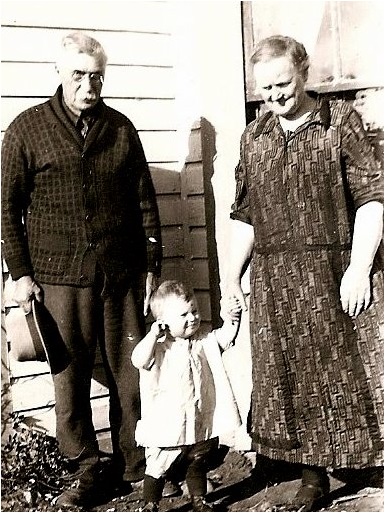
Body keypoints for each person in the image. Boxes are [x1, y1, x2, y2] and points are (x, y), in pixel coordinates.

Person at [1, 31, 163, 508]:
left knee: (130, 374)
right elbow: (6, 210)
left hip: (121, 274)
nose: (88, 85)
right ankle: (87, 467)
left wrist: (151, 263)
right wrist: (21, 274)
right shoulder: (27, 129)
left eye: (96, 76)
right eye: (79, 75)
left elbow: (144, 202)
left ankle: (137, 463)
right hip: (56, 276)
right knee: (69, 378)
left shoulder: (121, 129)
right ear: (60, 73)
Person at [226, 35, 383, 511]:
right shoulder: (254, 137)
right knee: (289, 376)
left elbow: (372, 199)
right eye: (266, 88)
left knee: (352, 370)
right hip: (276, 279)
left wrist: (359, 268)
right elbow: (246, 215)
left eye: (283, 84)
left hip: (334, 268)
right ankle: (312, 474)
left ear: (304, 73)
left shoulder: (341, 123)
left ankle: (366, 462)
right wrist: (232, 276)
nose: (274, 96)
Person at [131, 280, 242, 512]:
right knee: (158, 464)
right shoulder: (160, 347)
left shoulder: (203, 340)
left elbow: (226, 336)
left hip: (197, 420)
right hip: (169, 424)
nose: (192, 318)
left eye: (194, 311)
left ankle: (199, 499)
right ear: (163, 322)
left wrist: (232, 317)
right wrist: (152, 336)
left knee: (197, 460)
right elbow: (138, 360)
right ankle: (150, 503)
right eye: (184, 315)